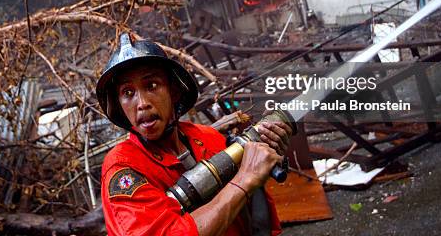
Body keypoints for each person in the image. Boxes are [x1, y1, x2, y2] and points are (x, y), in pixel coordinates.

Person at [96, 33, 293, 236]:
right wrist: (245, 179)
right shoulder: (122, 168)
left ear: (174, 91)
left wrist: (265, 156)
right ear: (119, 106)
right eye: (128, 93)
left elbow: (256, 213)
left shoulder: (209, 137)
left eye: (151, 86)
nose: (142, 103)